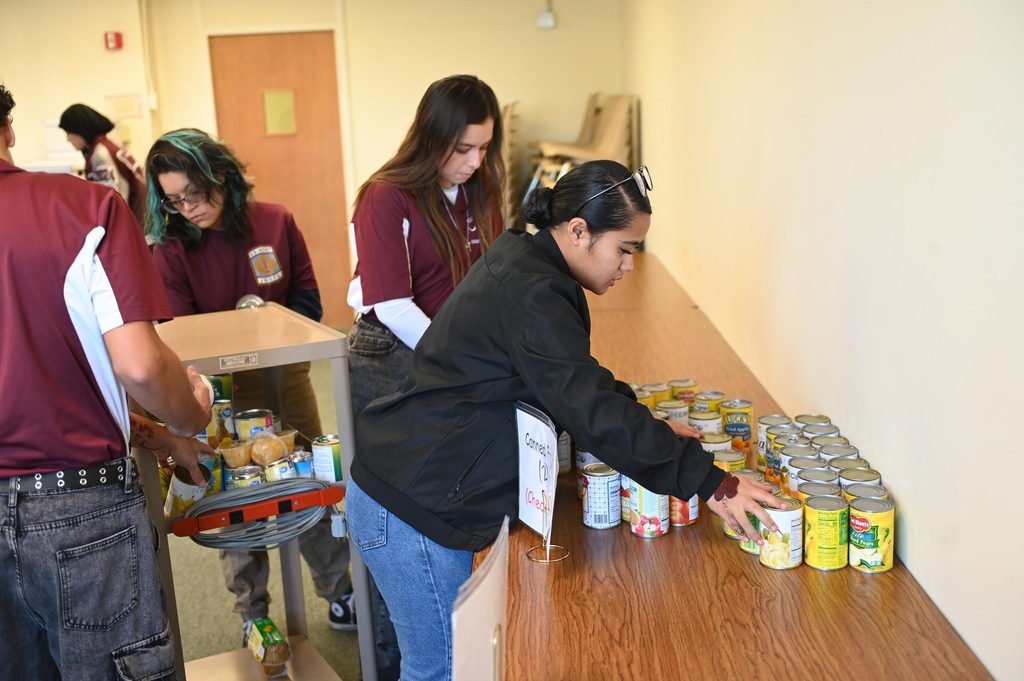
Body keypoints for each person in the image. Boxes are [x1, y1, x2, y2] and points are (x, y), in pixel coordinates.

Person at [346, 160, 787, 681]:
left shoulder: (530, 262)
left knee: (463, 666)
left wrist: (646, 421)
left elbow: (571, 378)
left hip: (425, 492)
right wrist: (714, 483)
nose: (627, 266)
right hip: (412, 509)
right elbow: (588, 406)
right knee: (442, 671)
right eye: (624, 249)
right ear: (578, 231)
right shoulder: (534, 291)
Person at [0, 83, 214, 680]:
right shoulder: (82, 208)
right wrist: (190, 417)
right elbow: (140, 365)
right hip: (79, 505)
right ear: (9, 128)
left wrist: (150, 434)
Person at [143, 128, 354, 643]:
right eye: (173, 200)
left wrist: (260, 322)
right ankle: (251, 611)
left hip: (285, 378)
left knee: (306, 484)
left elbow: (307, 303)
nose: (187, 207)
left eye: (195, 193)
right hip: (213, 392)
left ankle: (338, 590)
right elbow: (182, 335)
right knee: (232, 497)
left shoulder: (276, 222)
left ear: (224, 177)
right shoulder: (170, 248)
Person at [345, 73, 505, 680]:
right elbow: (392, 305)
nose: (473, 161)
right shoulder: (386, 196)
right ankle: (403, 658)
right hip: (395, 353)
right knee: (402, 519)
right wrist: (464, 360)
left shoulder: (480, 190)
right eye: (461, 149)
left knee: (449, 505)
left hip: (452, 353)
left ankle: (447, 636)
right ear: (431, 137)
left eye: (484, 147)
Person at [59, 103, 146, 220]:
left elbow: (110, 203)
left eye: (69, 133)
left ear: (81, 129)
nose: (68, 139)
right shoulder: (106, 147)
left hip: (133, 223)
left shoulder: (101, 155)